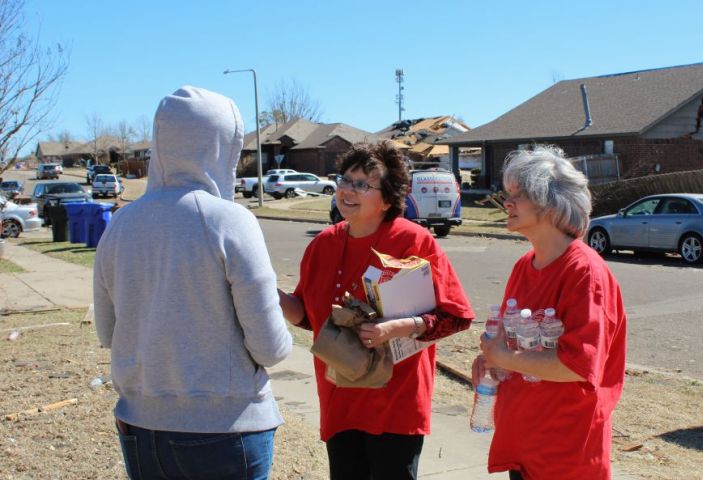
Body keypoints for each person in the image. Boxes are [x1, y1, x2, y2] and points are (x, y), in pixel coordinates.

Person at [93, 86, 292, 480]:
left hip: (141, 425)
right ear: (222, 147)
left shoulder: (121, 224)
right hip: (226, 428)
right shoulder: (229, 220)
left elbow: (106, 331)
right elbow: (271, 347)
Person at [279, 142, 474, 480]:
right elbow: (308, 317)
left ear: (387, 199)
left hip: (395, 402)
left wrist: (400, 327)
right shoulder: (322, 245)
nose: (347, 190)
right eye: (345, 180)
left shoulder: (414, 241)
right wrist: (266, 289)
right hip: (340, 397)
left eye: (362, 184)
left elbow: (455, 316)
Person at [472, 145, 627, 479]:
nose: (507, 203)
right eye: (508, 194)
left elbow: (577, 366)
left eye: (518, 194)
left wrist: (504, 359)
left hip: (565, 454)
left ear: (550, 202)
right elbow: (513, 346)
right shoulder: (523, 266)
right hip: (524, 443)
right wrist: (491, 364)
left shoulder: (585, 272)